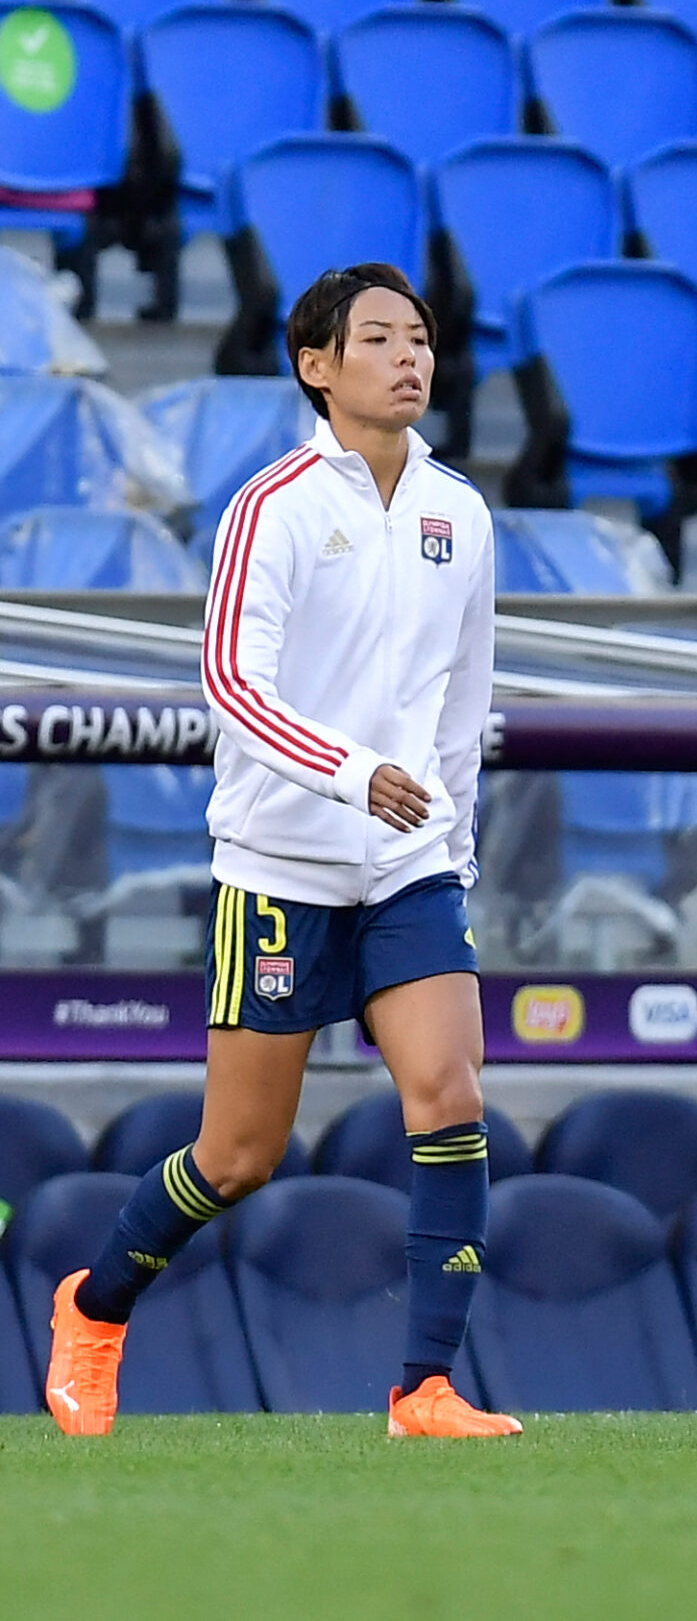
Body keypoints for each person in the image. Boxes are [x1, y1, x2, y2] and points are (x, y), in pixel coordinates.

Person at [45, 265, 516, 1440]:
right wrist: (356, 774)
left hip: (409, 867)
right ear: (315, 365)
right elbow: (228, 683)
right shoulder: (275, 506)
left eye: (421, 338)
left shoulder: (462, 512)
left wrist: (454, 838)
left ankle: (426, 1389)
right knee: (240, 1153)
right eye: (379, 338)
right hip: (281, 867)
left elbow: (467, 699)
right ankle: (95, 1309)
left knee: (449, 1095)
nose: (410, 357)